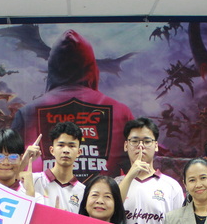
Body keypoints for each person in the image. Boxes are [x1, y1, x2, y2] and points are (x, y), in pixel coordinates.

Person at [10, 29, 134, 177]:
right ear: (91, 66)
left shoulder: (27, 113)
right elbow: (134, 167)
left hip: (42, 191)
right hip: (101, 191)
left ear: (52, 66)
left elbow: (10, 165)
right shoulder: (120, 111)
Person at [117, 117, 184, 224]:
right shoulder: (115, 184)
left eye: (147, 141)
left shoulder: (172, 186)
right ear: (126, 145)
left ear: (156, 145)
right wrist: (130, 176)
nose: (140, 146)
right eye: (134, 141)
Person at [26, 121, 85, 212]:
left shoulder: (83, 191)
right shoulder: (34, 180)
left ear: (79, 152)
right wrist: (25, 159)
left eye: (71, 146)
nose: (66, 150)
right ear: (52, 150)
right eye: (61, 145)